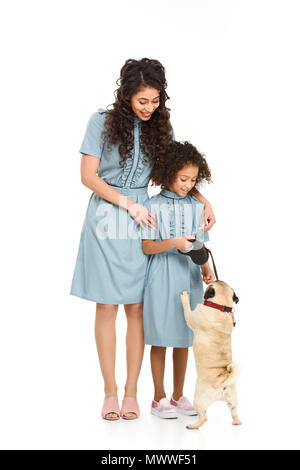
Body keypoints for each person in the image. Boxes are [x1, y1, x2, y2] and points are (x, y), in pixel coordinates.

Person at [70, 58, 216, 421]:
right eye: (142, 101)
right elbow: (88, 176)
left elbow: (174, 175)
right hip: (106, 220)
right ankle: (109, 394)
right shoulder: (100, 122)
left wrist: (202, 198)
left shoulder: (160, 128)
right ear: (126, 96)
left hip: (143, 221)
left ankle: (133, 394)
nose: (149, 108)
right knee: (106, 306)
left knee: (136, 306)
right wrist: (128, 204)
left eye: (155, 101)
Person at [141, 140, 215, 419]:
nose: (188, 184)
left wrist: (205, 266)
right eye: (183, 178)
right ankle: (158, 398)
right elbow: (147, 246)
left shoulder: (196, 207)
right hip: (161, 276)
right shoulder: (151, 205)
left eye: (193, 180)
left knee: (185, 338)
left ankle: (177, 394)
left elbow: (199, 243)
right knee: (160, 338)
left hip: (189, 277)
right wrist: (172, 242)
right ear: (168, 172)